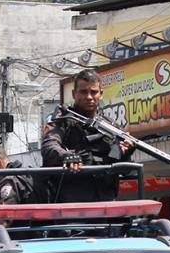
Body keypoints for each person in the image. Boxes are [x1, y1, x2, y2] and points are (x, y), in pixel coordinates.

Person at [41, 69, 135, 202]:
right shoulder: (64, 120)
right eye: (83, 92)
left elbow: (125, 170)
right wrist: (67, 156)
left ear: (101, 94)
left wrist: (126, 153)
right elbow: (49, 145)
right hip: (70, 200)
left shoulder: (110, 127)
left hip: (105, 200)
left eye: (94, 92)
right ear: (74, 94)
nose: (89, 97)